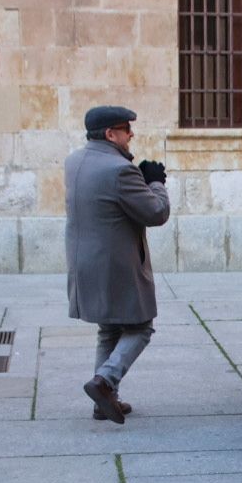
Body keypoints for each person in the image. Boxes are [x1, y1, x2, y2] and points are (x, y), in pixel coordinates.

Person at [67, 105, 171, 424]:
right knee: (141, 327)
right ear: (111, 134)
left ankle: (104, 403)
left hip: (84, 262)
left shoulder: (74, 161)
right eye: (126, 129)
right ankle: (105, 381)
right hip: (116, 264)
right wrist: (154, 182)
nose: (131, 134)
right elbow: (156, 213)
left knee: (108, 328)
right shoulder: (119, 170)